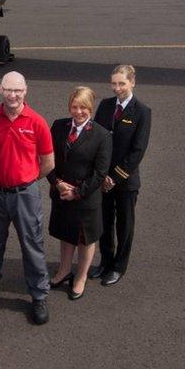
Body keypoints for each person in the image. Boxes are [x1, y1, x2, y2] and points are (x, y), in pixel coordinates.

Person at [0, 71, 55, 326]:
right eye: (8, 90)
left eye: (18, 90)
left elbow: (48, 163)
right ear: (0, 90)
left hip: (25, 195)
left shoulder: (37, 122)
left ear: (26, 91)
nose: (13, 95)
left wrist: (27, 179)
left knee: (32, 246)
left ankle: (39, 295)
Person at [46, 86, 112, 300]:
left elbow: (100, 172)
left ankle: (81, 277)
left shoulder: (102, 135)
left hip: (85, 198)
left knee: (85, 239)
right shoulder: (58, 126)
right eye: (74, 107)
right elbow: (47, 158)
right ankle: (64, 271)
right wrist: (57, 183)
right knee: (66, 234)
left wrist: (77, 192)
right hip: (62, 192)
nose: (78, 112)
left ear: (90, 108)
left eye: (83, 107)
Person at [89, 65, 151, 287]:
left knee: (124, 226)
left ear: (132, 82)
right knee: (104, 223)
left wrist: (114, 177)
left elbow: (138, 150)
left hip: (125, 181)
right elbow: (97, 138)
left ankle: (118, 267)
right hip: (103, 179)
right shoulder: (105, 106)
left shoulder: (142, 112)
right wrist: (101, 174)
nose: (117, 88)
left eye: (122, 83)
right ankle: (105, 262)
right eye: (114, 83)